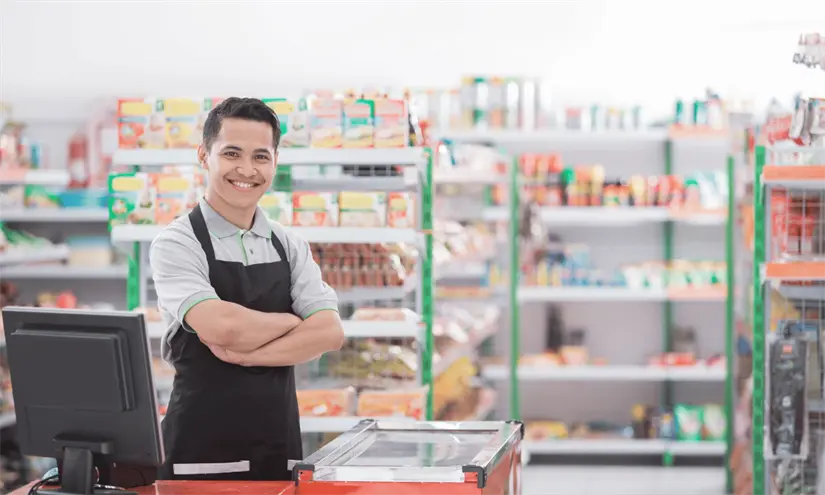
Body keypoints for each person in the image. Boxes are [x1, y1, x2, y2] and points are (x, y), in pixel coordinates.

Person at [149, 97, 345, 482]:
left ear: (274, 162)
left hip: (279, 448)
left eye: (260, 156)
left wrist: (244, 356)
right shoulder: (177, 243)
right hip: (200, 450)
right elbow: (223, 328)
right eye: (232, 153)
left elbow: (330, 332)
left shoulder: (288, 245)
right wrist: (292, 322)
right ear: (204, 156)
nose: (246, 170)